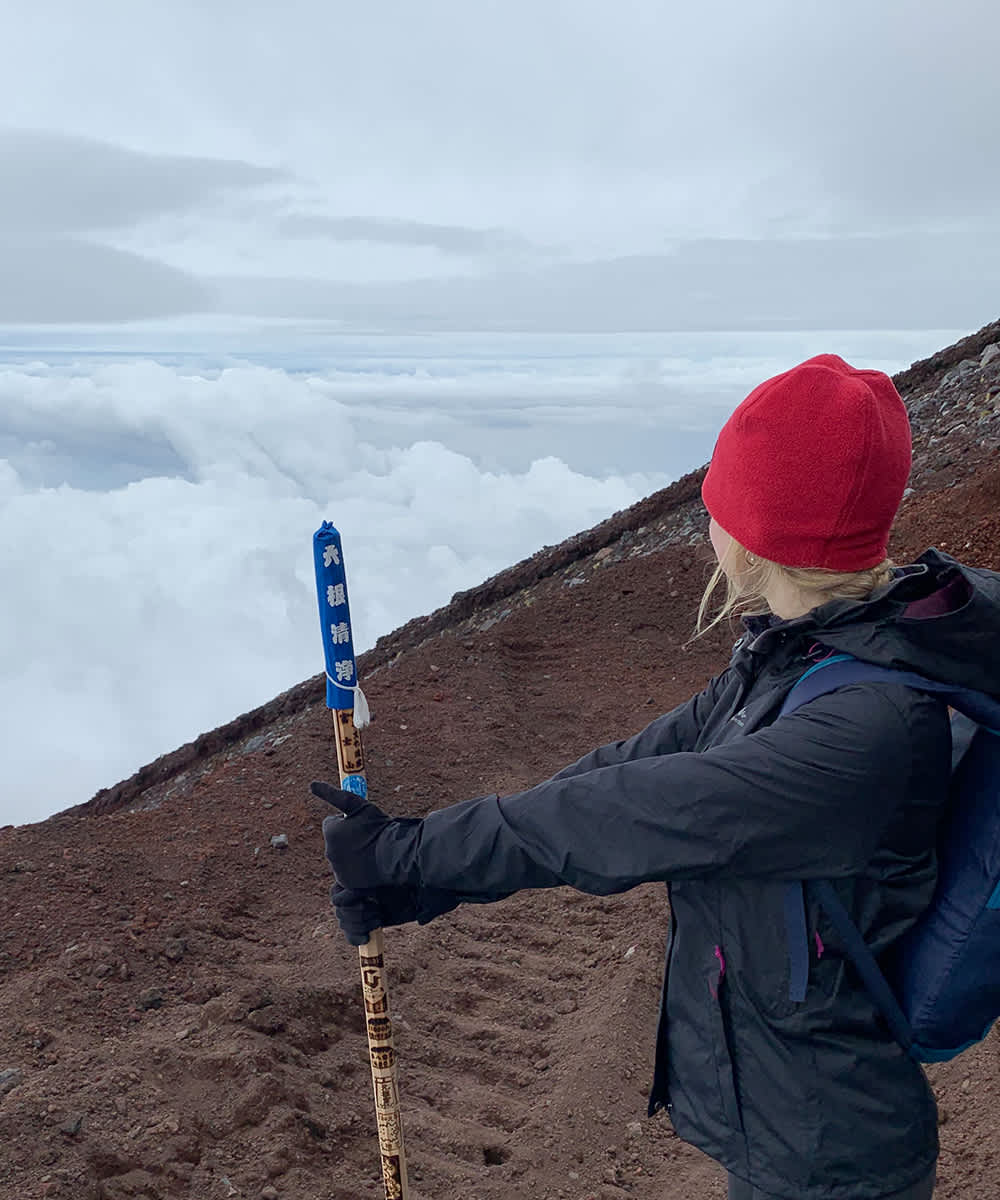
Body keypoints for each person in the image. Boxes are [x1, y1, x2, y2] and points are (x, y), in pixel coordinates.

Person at [313, 354, 1000, 1199]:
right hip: (793, 1126)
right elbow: (624, 771)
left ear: (759, 529)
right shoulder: (804, 653)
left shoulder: (861, 730)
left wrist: (414, 859)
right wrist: (419, 875)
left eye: (720, 491)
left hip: (832, 1158)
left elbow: (627, 816)